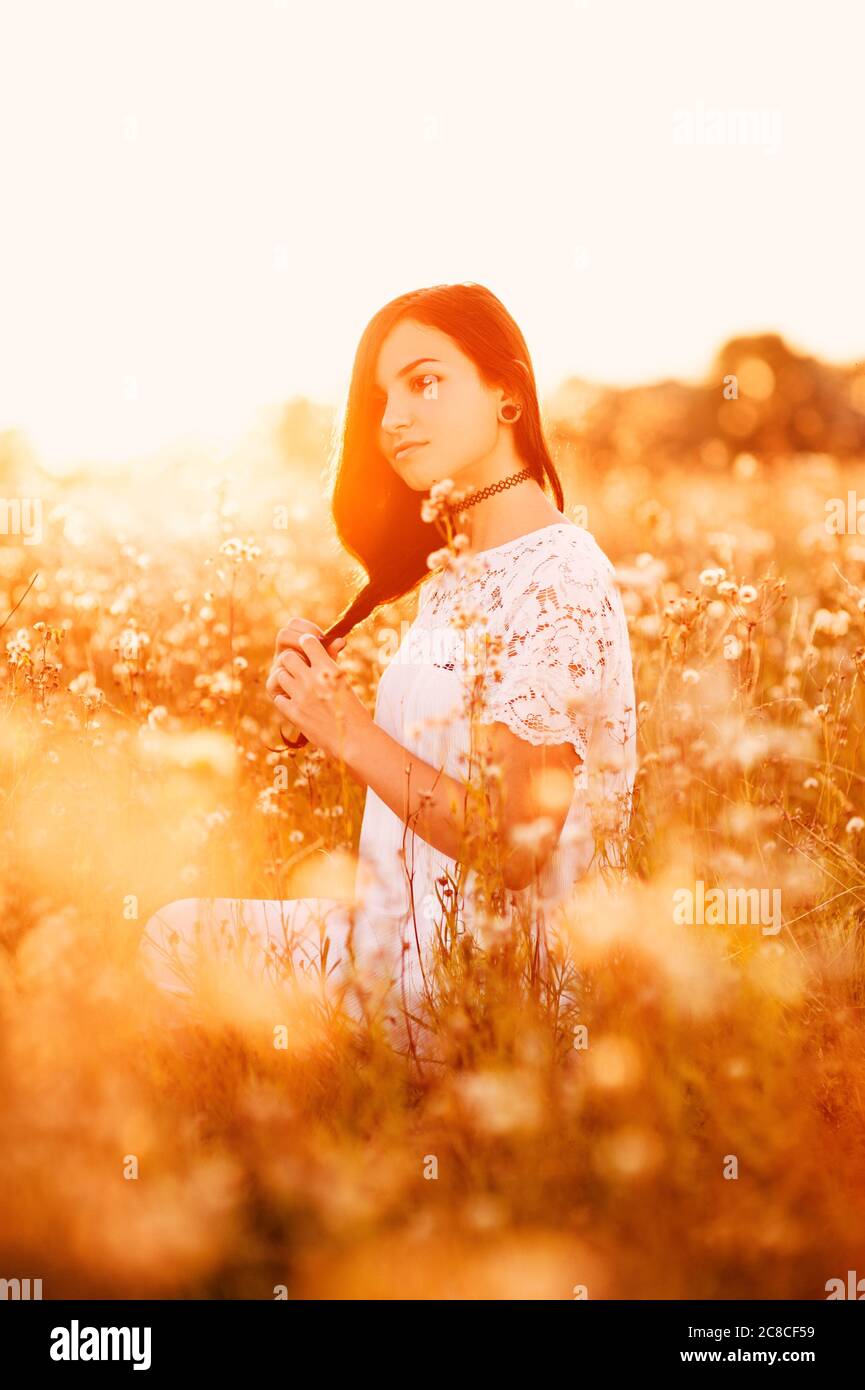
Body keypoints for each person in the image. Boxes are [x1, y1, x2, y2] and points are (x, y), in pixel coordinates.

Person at [137, 282, 637, 1055]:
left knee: (179, 946)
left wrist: (345, 728)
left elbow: (512, 846)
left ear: (506, 393)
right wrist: (318, 701)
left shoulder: (556, 577)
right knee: (177, 933)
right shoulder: (459, 572)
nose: (393, 418)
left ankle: (332, 1132)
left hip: (491, 984)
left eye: (425, 381)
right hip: (403, 937)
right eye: (380, 398)